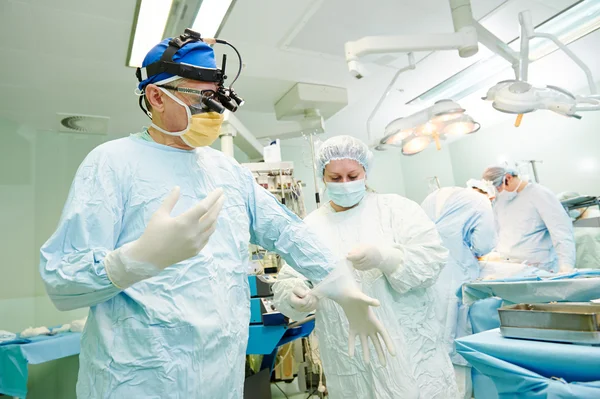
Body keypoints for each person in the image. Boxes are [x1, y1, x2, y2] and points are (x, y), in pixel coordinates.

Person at [39, 32, 385, 398]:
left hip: (220, 377)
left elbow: (287, 232)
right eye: (203, 99)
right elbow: (63, 282)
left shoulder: (226, 170)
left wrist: (340, 284)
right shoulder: (110, 163)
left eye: (218, 99)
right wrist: (137, 260)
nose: (215, 112)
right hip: (137, 381)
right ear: (156, 96)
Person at [272, 135, 458, 399]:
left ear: (365, 172)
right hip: (349, 357)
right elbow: (287, 279)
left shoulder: (397, 210)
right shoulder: (311, 227)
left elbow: (432, 260)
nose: (345, 184)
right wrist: (294, 294)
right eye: (335, 178)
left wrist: (386, 258)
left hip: (411, 348)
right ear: (322, 177)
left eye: (352, 175)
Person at [421, 181, 497, 398]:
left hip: (426, 275)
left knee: (431, 341)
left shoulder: (433, 196)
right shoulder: (481, 201)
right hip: (456, 276)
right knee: (456, 337)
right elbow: (484, 244)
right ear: (490, 196)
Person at [482, 166, 575, 272]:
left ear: (508, 178)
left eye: (498, 188)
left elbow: (561, 231)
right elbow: (498, 232)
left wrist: (566, 265)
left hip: (540, 267)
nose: (498, 193)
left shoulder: (539, 194)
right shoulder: (500, 201)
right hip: (509, 266)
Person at [557, 191, 600, 269]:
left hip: (597, 266)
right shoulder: (569, 222)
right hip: (579, 270)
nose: (569, 210)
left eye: (571, 206)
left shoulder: (597, 216)